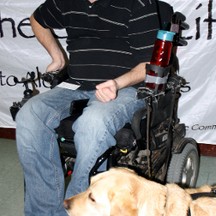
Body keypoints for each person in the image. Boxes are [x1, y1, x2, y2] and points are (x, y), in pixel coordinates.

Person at [15, 0, 161, 215]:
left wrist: (117, 83)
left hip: (125, 87)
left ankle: (76, 210)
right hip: (75, 84)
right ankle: (43, 211)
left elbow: (149, 64)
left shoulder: (138, 4)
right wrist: (57, 56)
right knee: (29, 115)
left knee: (92, 124)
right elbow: (37, 20)